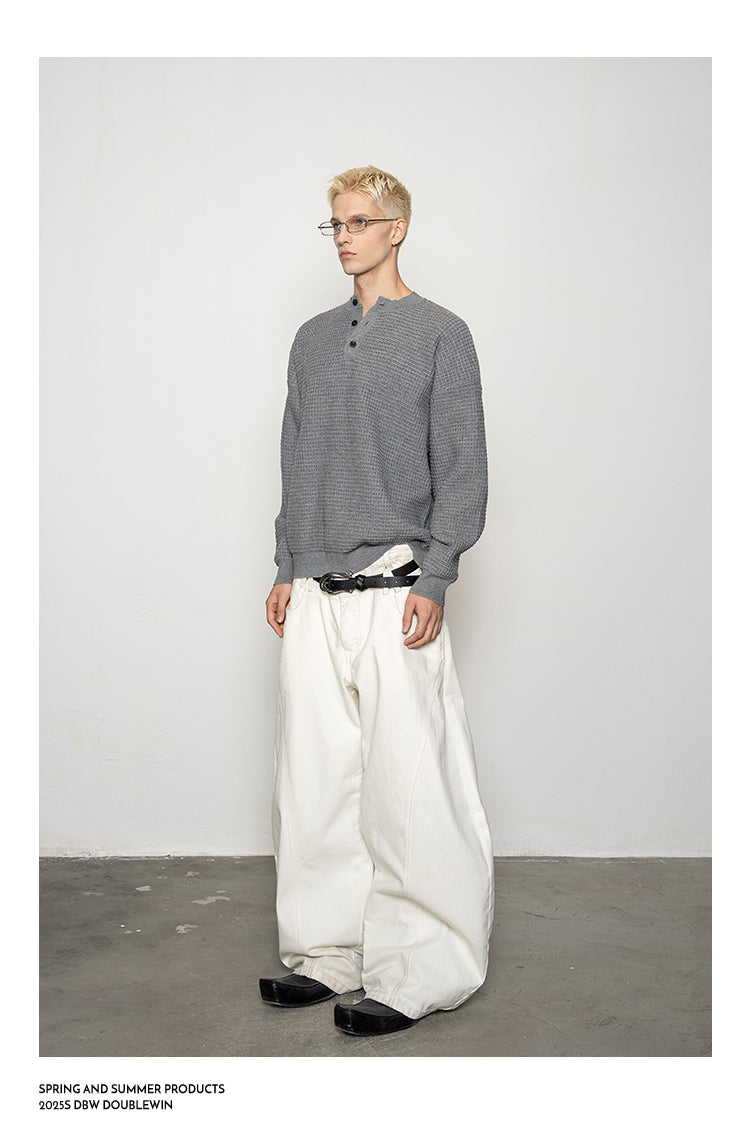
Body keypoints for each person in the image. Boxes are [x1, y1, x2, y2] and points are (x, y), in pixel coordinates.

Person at [260, 165, 495, 1037]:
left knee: (410, 790)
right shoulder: (312, 339)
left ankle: (423, 969)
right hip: (315, 590)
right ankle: (329, 954)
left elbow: (463, 464)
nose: (344, 237)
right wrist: (286, 565)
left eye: (360, 222)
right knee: (315, 785)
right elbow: (295, 454)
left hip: (398, 586)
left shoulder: (442, 334)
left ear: (397, 228)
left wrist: (438, 575)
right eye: (335, 224)